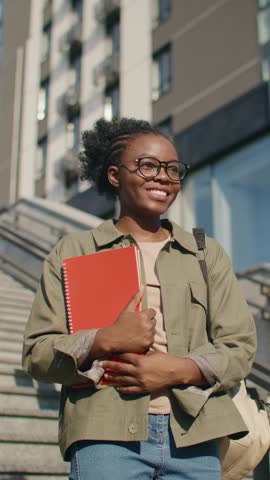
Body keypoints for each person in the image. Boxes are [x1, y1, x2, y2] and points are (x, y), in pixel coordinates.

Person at [23, 117, 257, 480]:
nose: (164, 177)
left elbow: (240, 347)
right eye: (148, 165)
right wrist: (102, 340)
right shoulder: (75, 251)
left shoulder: (205, 254)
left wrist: (179, 369)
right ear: (114, 175)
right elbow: (37, 353)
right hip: (106, 437)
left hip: (196, 436)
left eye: (172, 169)